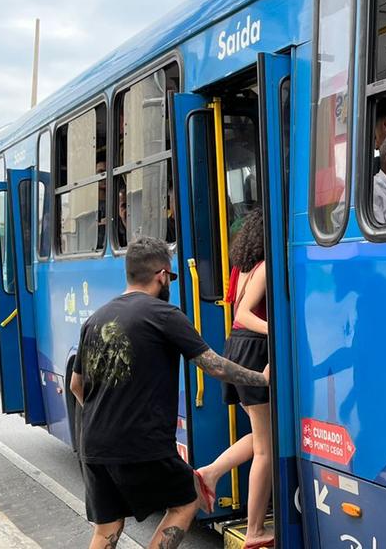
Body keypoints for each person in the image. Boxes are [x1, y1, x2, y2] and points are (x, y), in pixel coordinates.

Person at [69, 235, 269, 549]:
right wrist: (262, 379)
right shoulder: (163, 314)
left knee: (107, 528)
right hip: (141, 441)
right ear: (162, 274)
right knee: (186, 500)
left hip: (93, 442)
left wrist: (105, 418)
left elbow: (76, 385)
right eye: (171, 277)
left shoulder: (96, 319)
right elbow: (214, 366)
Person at [197, 208, 273, 549]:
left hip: (238, 348)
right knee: (266, 451)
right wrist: (278, 331)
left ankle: (209, 473)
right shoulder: (264, 267)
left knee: (262, 438)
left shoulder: (242, 269)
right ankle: (255, 531)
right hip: (254, 349)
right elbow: (243, 314)